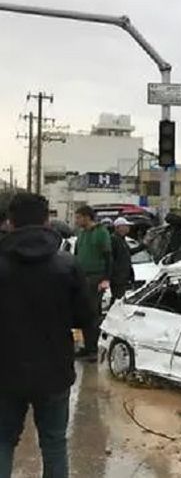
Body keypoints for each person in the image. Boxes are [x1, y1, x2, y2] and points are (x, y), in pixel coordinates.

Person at [0, 193, 93, 478]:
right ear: (46, 220)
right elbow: (85, 317)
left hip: (5, 373)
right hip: (54, 371)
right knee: (54, 444)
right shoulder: (67, 265)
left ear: (10, 223)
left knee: (3, 442)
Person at [74, 205, 112, 359]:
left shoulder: (101, 232)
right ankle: (86, 346)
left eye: (78, 217)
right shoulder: (81, 233)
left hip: (95, 277)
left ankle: (93, 349)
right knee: (83, 313)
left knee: (92, 313)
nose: (76, 220)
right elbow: (77, 254)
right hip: (82, 277)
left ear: (86, 217)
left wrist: (106, 279)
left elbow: (109, 257)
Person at [110, 217, 135, 300]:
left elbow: (128, 253)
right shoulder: (114, 239)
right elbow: (111, 258)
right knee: (118, 298)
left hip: (124, 276)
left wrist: (143, 245)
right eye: (125, 226)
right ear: (118, 227)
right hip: (118, 277)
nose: (128, 228)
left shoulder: (122, 240)